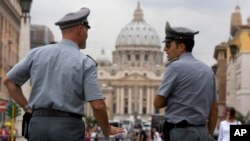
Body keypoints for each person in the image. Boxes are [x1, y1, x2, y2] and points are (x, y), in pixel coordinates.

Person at [3, 7, 124, 141]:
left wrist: (27, 108)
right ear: (80, 30)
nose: (87, 35)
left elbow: (9, 81)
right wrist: (106, 128)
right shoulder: (85, 62)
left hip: (37, 125)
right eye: (87, 30)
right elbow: (98, 105)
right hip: (68, 128)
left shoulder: (36, 53)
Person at [153, 21, 218, 141]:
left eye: (168, 45)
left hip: (180, 133)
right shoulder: (208, 70)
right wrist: (209, 134)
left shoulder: (175, 67)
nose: (164, 49)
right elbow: (214, 109)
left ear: (181, 46)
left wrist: (176, 96)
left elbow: (157, 103)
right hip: (202, 133)